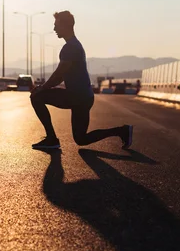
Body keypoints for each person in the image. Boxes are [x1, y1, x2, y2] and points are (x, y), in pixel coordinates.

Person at [30, 10, 133, 150]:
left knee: (36, 97)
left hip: (77, 97)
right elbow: (60, 76)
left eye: (56, 25)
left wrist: (41, 88)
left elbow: (58, 75)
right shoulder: (74, 45)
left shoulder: (70, 48)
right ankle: (122, 131)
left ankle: (51, 138)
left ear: (65, 26)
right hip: (84, 97)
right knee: (81, 139)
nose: (54, 28)